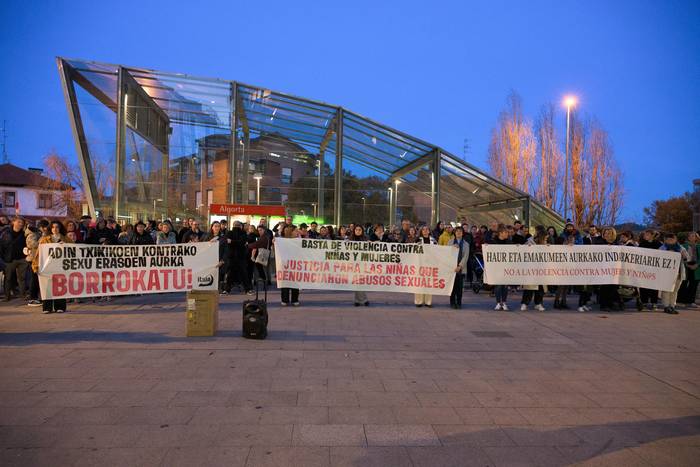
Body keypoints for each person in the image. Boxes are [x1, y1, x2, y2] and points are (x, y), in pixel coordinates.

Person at [38, 221, 72, 314]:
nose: (55, 229)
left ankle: (60, 307)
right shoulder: (44, 239)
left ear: (60, 228)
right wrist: (36, 266)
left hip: (61, 266)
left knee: (60, 286)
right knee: (47, 286)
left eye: (57, 227)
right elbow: (39, 254)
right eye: (53, 227)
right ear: (50, 229)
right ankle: (47, 307)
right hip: (47, 266)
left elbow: (73, 251)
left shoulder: (66, 239)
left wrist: (65, 246)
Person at [659, 233, 689, 315]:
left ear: (675, 240)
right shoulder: (662, 248)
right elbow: (657, 258)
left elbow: (688, 259)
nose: (670, 241)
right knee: (666, 290)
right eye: (668, 239)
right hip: (666, 273)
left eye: (672, 239)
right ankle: (666, 306)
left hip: (678, 272)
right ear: (665, 240)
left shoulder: (681, 248)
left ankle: (672, 305)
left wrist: (684, 256)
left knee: (675, 290)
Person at [0, 217, 28, 302]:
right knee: (8, 278)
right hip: (9, 259)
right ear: (13, 222)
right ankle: (7, 296)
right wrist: (4, 258)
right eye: (19, 222)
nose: (21, 224)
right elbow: (1, 246)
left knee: (22, 278)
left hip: (22, 259)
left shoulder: (25, 234)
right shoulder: (5, 233)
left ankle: (23, 295)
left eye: (22, 223)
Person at [521, 225, 547, 312]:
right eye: (545, 239)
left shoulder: (545, 245)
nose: (546, 240)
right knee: (529, 288)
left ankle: (538, 303)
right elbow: (521, 252)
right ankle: (524, 303)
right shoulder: (529, 243)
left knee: (540, 288)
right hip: (531, 269)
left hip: (541, 269)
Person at [25, 220, 49, 307]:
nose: (46, 229)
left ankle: (38, 296)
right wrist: (43, 238)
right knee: (34, 279)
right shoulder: (32, 234)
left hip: (42, 260)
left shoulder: (41, 234)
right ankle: (32, 298)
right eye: (45, 227)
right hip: (34, 260)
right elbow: (32, 245)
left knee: (39, 280)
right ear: (41, 227)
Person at [598, 227, 622, 311]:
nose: (607, 235)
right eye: (605, 233)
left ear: (613, 234)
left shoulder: (617, 245)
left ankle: (612, 303)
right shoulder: (599, 243)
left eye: (609, 233)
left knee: (613, 287)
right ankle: (603, 305)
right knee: (605, 287)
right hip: (603, 269)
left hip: (615, 269)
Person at [227, 221, 254, 295]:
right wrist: (238, 243)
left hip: (232, 256)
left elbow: (236, 242)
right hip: (241, 256)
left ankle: (227, 290)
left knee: (230, 274)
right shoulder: (243, 233)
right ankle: (247, 290)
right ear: (240, 226)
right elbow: (241, 243)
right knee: (244, 274)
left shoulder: (229, 233)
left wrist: (232, 241)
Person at [638, 229, 662, 310]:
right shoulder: (642, 244)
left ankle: (654, 303)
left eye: (647, 234)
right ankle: (644, 303)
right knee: (643, 286)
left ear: (652, 235)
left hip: (655, 269)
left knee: (654, 286)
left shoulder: (658, 244)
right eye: (644, 234)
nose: (645, 236)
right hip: (644, 268)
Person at [490, 226, 512, 311]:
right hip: (497, 267)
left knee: (505, 286)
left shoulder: (509, 242)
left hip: (506, 267)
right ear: (501, 233)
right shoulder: (493, 242)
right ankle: (498, 302)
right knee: (498, 286)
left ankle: (504, 302)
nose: (507, 234)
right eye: (506, 232)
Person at [414, 225, 436, 308]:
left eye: (427, 229)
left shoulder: (433, 240)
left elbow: (438, 250)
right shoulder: (418, 240)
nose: (425, 231)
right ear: (421, 231)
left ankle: (428, 302)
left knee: (429, 283)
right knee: (419, 282)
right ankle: (418, 301)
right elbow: (413, 250)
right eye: (424, 230)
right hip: (419, 263)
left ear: (429, 231)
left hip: (430, 264)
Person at [448, 226, 468, 309]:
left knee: (459, 287)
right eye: (457, 231)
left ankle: (459, 302)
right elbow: (447, 253)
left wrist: (460, 266)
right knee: (452, 287)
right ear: (454, 233)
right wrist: (452, 248)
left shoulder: (466, 244)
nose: (458, 233)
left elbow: (465, 256)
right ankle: (452, 302)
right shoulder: (450, 242)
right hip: (452, 268)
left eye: (460, 231)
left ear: (462, 233)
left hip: (461, 269)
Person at [349, 224, 370, 306]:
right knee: (357, 282)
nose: (358, 231)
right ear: (354, 231)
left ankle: (360, 300)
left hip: (363, 264)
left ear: (362, 231)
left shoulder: (365, 240)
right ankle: (361, 300)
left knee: (361, 282)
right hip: (353, 264)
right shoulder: (350, 240)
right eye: (356, 229)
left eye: (359, 230)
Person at [679, 231, 699, 308]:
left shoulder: (699, 246)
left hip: (696, 267)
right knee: (683, 283)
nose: (692, 237)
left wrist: (697, 265)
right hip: (685, 266)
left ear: (696, 237)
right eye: (690, 236)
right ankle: (681, 300)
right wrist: (686, 264)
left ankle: (691, 301)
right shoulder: (683, 246)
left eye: (693, 236)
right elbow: (681, 257)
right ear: (688, 237)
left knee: (693, 284)